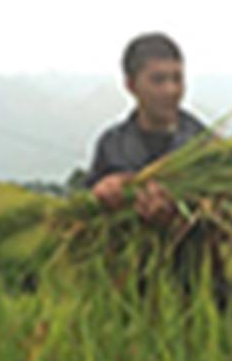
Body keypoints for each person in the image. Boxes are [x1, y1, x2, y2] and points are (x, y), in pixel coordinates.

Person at [83, 32, 208, 224]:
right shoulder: (111, 145)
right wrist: (104, 192)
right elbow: (88, 213)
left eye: (177, 79)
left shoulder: (204, 144)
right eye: (158, 80)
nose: (171, 90)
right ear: (131, 85)